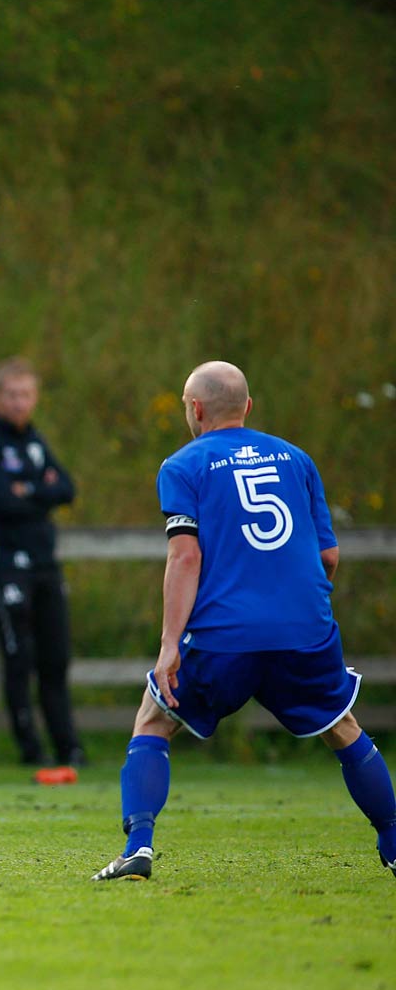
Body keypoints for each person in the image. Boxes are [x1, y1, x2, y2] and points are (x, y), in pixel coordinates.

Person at [93, 361, 396, 882]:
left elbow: (184, 558)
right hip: (304, 629)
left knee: (154, 716)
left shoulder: (183, 465)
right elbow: (328, 557)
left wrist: (170, 644)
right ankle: (394, 844)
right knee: (342, 728)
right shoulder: (297, 460)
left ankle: (138, 849)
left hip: (224, 636)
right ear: (248, 407)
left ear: (195, 409)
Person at [0, 357, 83, 768]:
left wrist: (27, 490)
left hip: (44, 563)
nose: (18, 402)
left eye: (26, 394)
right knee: (19, 658)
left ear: (35, 397)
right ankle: (30, 749)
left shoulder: (36, 441)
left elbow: (66, 488)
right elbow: (3, 502)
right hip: (4, 564)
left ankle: (70, 748)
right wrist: (37, 489)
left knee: (56, 657)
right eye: (11, 394)